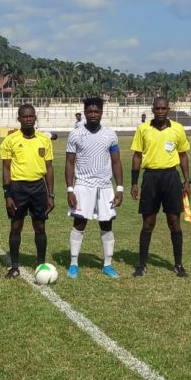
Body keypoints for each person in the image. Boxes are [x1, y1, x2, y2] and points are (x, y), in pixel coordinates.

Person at [130, 96, 191, 277]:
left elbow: (183, 155)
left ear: (168, 109)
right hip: (150, 178)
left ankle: (178, 265)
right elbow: (137, 156)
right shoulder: (143, 129)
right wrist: (134, 182)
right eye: (157, 108)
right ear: (153, 109)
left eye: (163, 108)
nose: (160, 111)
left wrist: (187, 181)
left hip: (171, 177)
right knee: (148, 223)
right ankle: (142, 265)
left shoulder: (177, 129)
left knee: (174, 222)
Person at [65, 97, 123, 279]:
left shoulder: (110, 135)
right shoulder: (75, 134)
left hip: (105, 186)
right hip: (83, 185)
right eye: (89, 111)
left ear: (101, 113)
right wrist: (70, 189)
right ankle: (74, 263)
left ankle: (107, 264)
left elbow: (116, 161)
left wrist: (119, 188)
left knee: (106, 224)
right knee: (79, 223)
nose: (92, 114)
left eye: (96, 111)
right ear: (84, 112)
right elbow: (69, 162)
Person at [1, 104, 54, 279]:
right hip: (18, 188)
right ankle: (15, 266)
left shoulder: (44, 140)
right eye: (25, 116)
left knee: (40, 226)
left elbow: (49, 167)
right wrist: (7, 194)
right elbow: (6, 168)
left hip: (38, 187)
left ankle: (40, 264)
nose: (28, 119)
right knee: (16, 226)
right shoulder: (10, 140)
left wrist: (51, 194)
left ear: (35, 117)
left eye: (31, 116)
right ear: (19, 119)